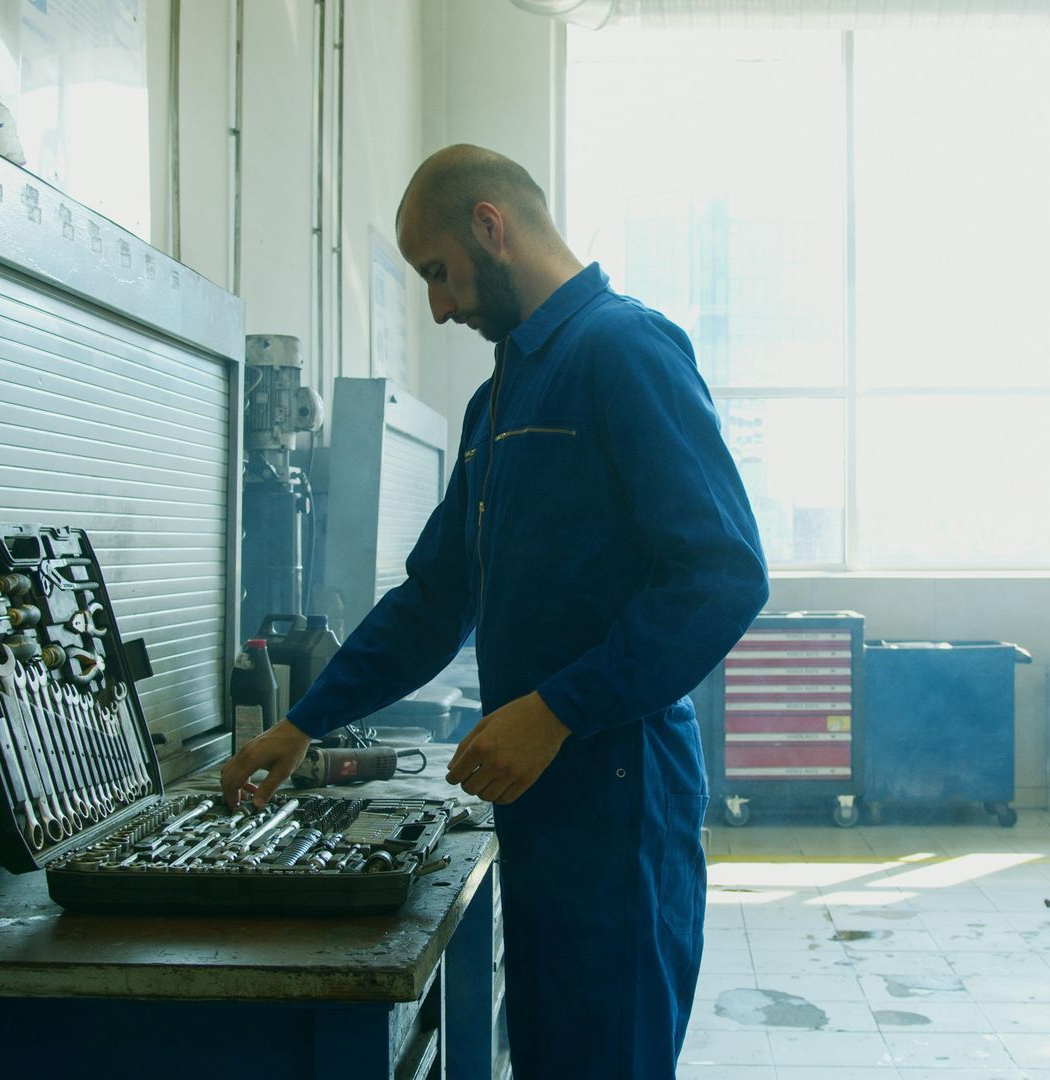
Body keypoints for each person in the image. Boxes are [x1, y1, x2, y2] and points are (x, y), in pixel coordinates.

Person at [219, 144, 768, 1078]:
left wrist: (557, 709)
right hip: (542, 806)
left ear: (491, 225)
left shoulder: (624, 351)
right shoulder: (500, 399)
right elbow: (437, 598)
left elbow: (723, 574)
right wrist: (303, 724)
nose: (437, 304)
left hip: (619, 804)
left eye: (438, 271)